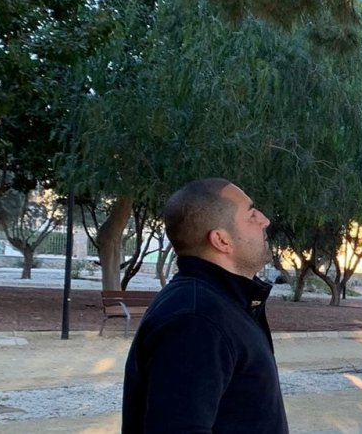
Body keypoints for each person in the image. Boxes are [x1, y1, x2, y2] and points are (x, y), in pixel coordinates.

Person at [122, 178, 288, 433]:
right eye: (251, 214)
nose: (264, 220)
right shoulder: (196, 319)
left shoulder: (222, 305)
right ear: (221, 240)